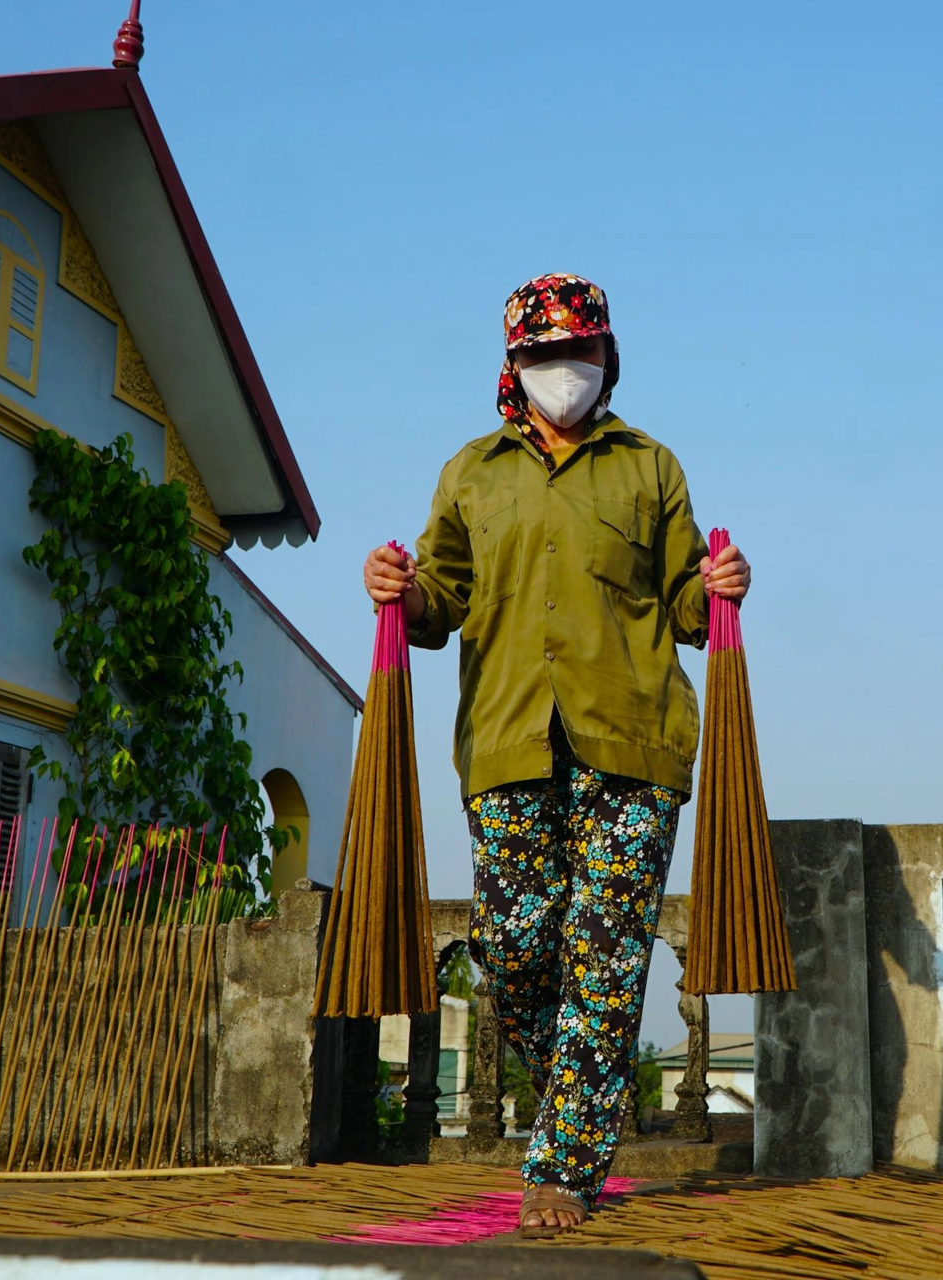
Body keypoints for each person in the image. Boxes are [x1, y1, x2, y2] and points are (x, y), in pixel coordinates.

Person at [363, 274, 749, 1236]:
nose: (562, 371)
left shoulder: (650, 467)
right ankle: (581, 1096)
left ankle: (564, 1165)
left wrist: (724, 584)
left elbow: (688, 609)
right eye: (542, 355)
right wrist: (395, 591)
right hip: (503, 744)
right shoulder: (470, 473)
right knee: (521, 956)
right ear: (514, 367)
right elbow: (437, 603)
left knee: (607, 955)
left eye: (579, 352)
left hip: (633, 743)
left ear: (608, 359)